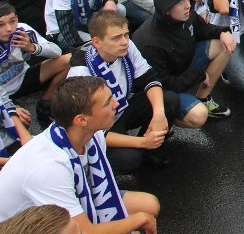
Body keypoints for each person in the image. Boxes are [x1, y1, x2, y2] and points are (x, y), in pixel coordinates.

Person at [0, 76, 160, 233]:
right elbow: (83, 232)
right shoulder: (50, 167)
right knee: (140, 217)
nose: (116, 104)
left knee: (149, 205)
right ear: (81, 120)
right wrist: (137, 221)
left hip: (60, 205)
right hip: (21, 228)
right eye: (107, 103)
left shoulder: (84, 132)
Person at [66, 11, 176, 174]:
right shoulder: (81, 74)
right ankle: (91, 175)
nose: (124, 42)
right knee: (130, 160)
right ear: (97, 42)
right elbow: (92, 131)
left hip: (119, 109)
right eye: (116, 38)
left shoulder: (126, 46)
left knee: (169, 100)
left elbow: (149, 78)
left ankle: (149, 151)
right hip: (97, 127)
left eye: (126, 35)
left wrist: (159, 114)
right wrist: (141, 142)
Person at [134, 0, 234, 123]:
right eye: (180, 2)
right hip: (163, 88)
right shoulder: (151, 42)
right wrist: (198, 76)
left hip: (182, 67)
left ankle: (203, 98)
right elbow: (163, 83)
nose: (188, 5)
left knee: (224, 43)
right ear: (166, 9)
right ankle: (166, 116)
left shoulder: (186, 15)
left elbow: (204, 30)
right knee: (199, 116)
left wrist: (223, 31)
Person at [0, 2, 69, 121]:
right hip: (0, 92)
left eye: (12, 21)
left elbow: (57, 52)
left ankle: (46, 101)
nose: (9, 28)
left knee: (69, 60)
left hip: (23, 77)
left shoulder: (23, 29)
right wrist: (8, 107)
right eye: (0, 25)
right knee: (22, 120)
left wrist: (31, 47)